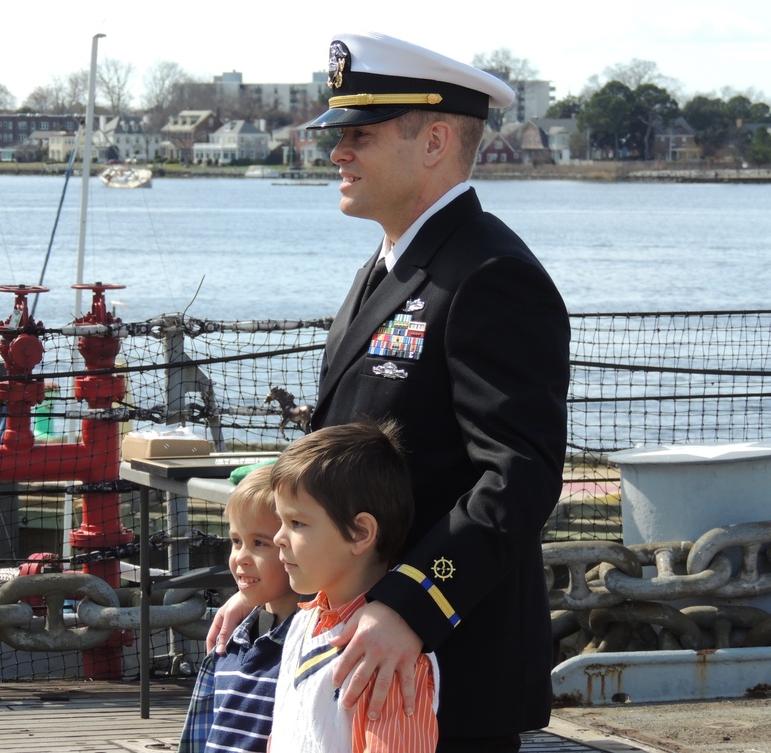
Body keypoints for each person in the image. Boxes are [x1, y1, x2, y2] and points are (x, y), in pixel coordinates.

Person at [209, 31, 570, 753]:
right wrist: (275, 566)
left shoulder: (490, 274)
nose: (337, 150)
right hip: (360, 655)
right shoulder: (393, 266)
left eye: (360, 134)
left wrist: (412, 602)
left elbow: (518, 477)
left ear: (434, 140)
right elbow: (334, 458)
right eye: (339, 134)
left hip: (442, 671)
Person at [267, 419, 439, 753]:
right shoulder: (303, 621)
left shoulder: (393, 659)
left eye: (297, 523)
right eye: (281, 521)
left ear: (360, 533)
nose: (278, 538)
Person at [178, 464, 300, 753]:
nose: (241, 557)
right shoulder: (231, 644)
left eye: (259, 543)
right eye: (236, 541)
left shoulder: (307, 647)